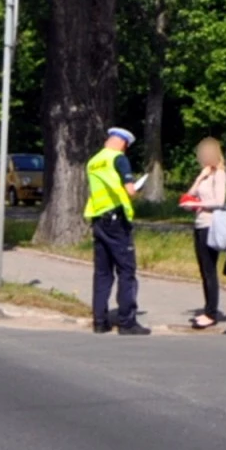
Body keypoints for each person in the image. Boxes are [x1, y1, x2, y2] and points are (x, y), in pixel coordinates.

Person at [84, 127, 150, 336]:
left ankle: (100, 321)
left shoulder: (93, 161)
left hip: (98, 219)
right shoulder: (119, 159)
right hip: (116, 222)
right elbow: (129, 190)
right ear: (124, 144)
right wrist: (135, 191)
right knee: (126, 270)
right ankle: (126, 322)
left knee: (102, 273)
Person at [183, 137, 226, 329]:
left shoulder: (219, 174)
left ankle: (211, 312)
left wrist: (197, 204)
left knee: (209, 270)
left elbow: (219, 201)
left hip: (211, 225)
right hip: (199, 224)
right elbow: (190, 193)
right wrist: (199, 178)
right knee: (203, 269)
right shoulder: (206, 174)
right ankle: (208, 307)